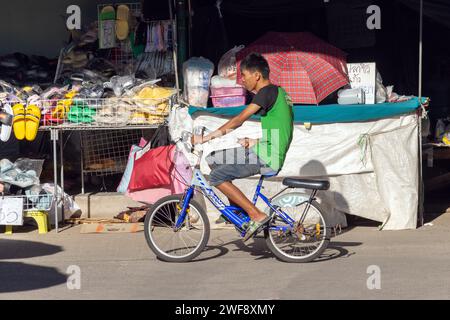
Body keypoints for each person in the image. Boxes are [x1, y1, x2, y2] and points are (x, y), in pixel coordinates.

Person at [192, 53, 294, 241]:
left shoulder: (266, 92)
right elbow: (282, 128)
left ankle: (256, 215)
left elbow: (239, 120)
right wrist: (255, 142)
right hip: (265, 150)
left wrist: (205, 138)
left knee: (216, 176)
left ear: (257, 76)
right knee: (213, 159)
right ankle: (238, 212)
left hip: (267, 157)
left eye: (244, 75)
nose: (243, 80)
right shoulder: (278, 93)